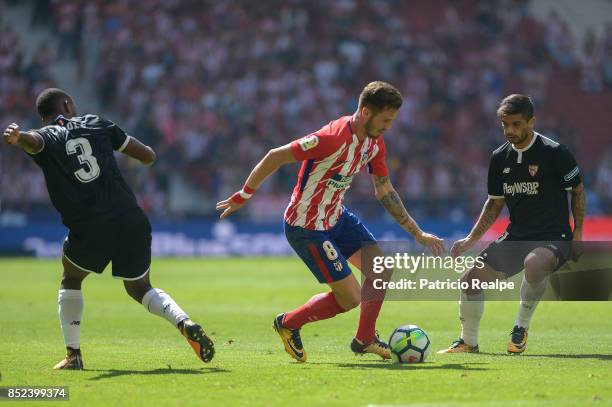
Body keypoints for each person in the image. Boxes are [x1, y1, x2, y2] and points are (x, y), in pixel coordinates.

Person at [216, 81, 444, 362]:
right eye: (385, 120)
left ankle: (364, 339)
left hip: (336, 217)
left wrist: (418, 233)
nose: (388, 127)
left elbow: (384, 190)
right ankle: (288, 323)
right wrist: (244, 194)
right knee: (350, 298)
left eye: (392, 121)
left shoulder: (374, 142)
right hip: (306, 226)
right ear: (365, 112)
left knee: (381, 269)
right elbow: (275, 156)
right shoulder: (331, 138)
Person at [2, 88, 214, 369]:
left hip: (90, 225)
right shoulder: (97, 123)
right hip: (130, 218)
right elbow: (148, 156)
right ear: (67, 105)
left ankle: (73, 355)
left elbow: (34, 143)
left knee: (71, 278)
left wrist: (19, 138)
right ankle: (183, 322)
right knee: (140, 287)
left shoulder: (46, 135)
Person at [437, 94, 586, 354]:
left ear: (531, 122)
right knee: (470, 281)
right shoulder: (499, 157)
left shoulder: (555, 153)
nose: (510, 131)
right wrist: (471, 240)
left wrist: (578, 234)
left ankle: (521, 326)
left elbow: (578, 190)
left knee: (534, 263)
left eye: (516, 124)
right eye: (505, 124)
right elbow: (494, 204)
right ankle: (468, 343)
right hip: (517, 235)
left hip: (554, 235)